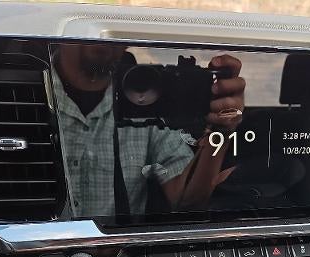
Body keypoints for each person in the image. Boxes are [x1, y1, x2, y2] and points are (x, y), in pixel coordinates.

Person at [52, 44, 245, 217]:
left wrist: (220, 133)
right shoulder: (35, 92)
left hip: (122, 247)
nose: (99, 35)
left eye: (115, 25)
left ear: (126, 41)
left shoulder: (150, 105)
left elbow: (187, 201)